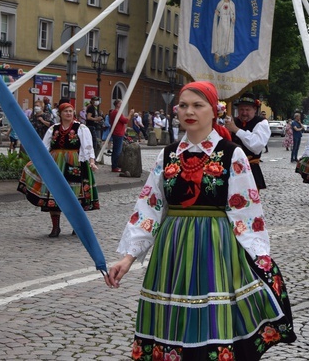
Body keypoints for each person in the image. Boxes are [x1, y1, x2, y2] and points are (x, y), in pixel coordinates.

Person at [103, 81, 296, 359]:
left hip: (216, 250)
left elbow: (246, 211)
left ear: (213, 111)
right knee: (173, 324)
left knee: (212, 320)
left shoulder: (232, 153)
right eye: (183, 105)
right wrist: (128, 257)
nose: (189, 111)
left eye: (197, 105)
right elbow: (150, 207)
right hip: (172, 252)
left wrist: (259, 256)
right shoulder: (167, 155)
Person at [17, 102, 99, 237]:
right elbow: (44, 147)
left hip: (74, 163)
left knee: (74, 195)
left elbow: (88, 147)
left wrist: (91, 162)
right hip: (55, 164)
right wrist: (38, 161)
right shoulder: (53, 129)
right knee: (54, 195)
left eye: (71, 111)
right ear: (60, 114)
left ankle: (77, 226)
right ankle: (56, 227)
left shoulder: (81, 128)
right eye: (66, 111)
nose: (69, 113)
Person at [225, 92, 271, 191]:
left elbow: (256, 146)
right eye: (241, 109)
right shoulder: (232, 121)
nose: (244, 112)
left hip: (250, 169)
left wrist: (236, 130)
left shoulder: (261, 123)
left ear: (255, 109)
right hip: (230, 168)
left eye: (247, 109)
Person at [212, 0, 236, 65]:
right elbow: (218, 13)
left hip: (227, 23)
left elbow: (232, 13)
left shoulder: (231, 4)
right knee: (220, 36)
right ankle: (218, 53)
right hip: (221, 22)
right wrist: (217, 13)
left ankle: (224, 52)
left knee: (226, 36)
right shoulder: (220, 3)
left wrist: (232, 18)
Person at [109, 99, 133, 173]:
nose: (122, 104)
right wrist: (130, 114)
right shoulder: (117, 112)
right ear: (117, 104)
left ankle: (114, 165)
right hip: (118, 133)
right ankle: (114, 166)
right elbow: (125, 120)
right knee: (117, 151)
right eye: (121, 103)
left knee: (115, 150)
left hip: (117, 132)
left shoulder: (114, 112)